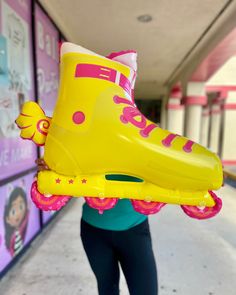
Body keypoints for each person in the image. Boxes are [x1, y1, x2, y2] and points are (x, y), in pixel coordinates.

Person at [36, 160, 158, 295]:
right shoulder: (86, 139)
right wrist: (52, 168)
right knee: (107, 289)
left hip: (135, 230)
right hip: (94, 232)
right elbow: (67, 169)